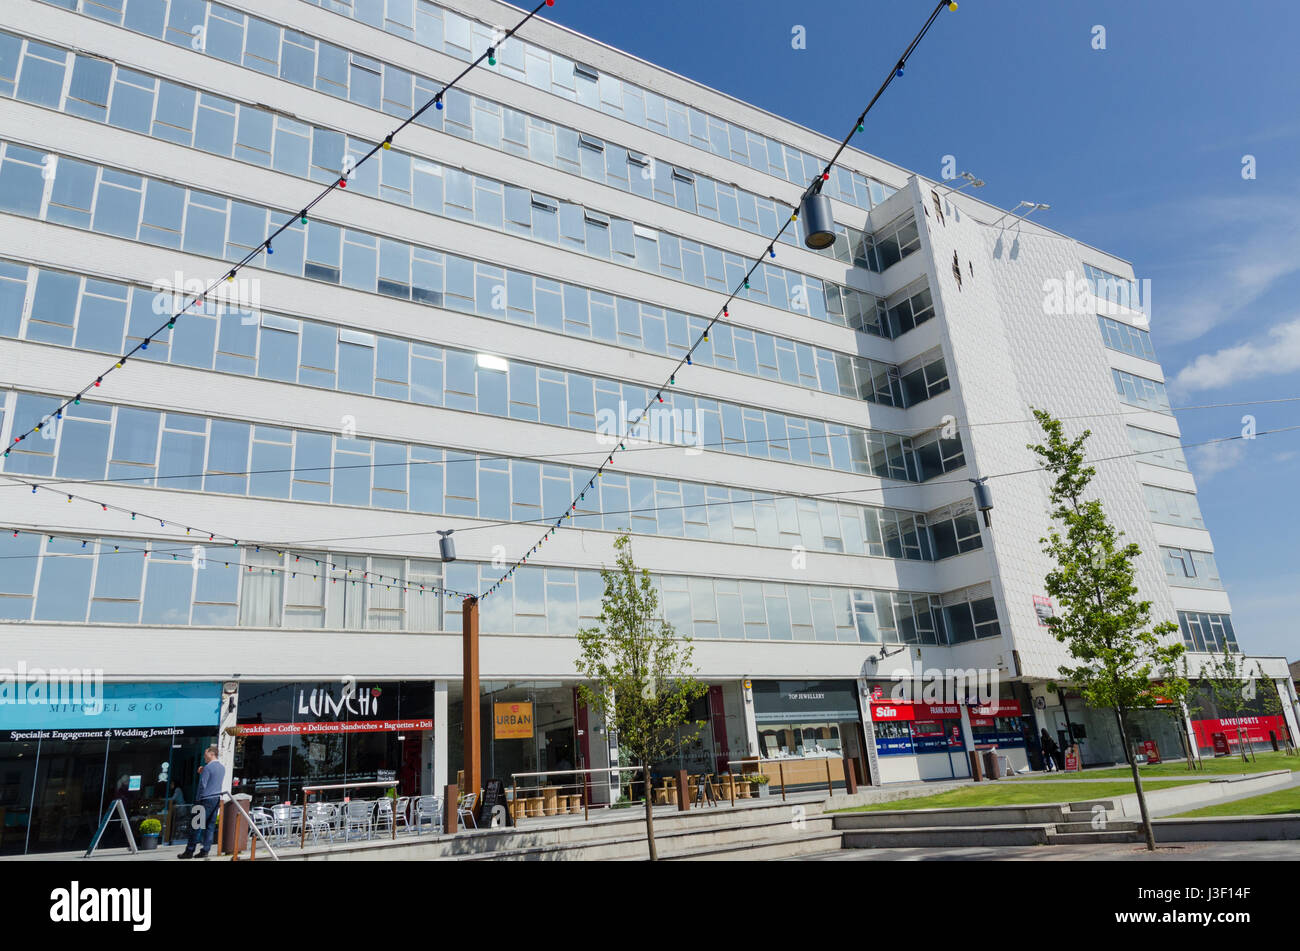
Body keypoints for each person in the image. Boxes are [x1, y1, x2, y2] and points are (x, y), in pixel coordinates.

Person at [179, 746, 225, 859]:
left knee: (196, 825)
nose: (204, 756)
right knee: (210, 825)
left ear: (212, 754)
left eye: (206, 754)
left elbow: (203, 785)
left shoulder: (208, 768)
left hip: (205, 799)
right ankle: (205, 850)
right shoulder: (222, 767)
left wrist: (197, 800)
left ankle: (189, 851)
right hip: (216, 798)